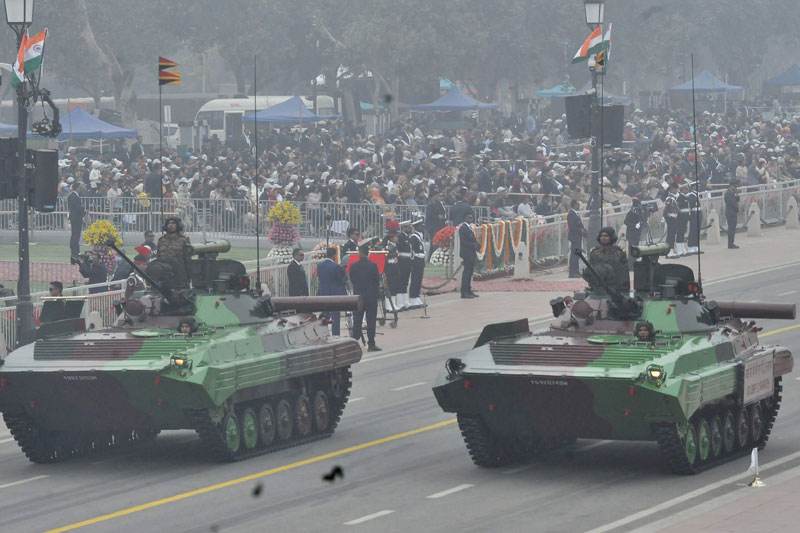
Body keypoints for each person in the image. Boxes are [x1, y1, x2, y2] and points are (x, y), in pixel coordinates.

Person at [349, 244, 381, 352]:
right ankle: (371, 343)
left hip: (358, 296)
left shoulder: (353, 266)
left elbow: (352, 280)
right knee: (371, 320)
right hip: (371, 296)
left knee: (357, 320)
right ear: (368, 253)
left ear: (359, 253)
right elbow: (377, 280)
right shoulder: (373, 265)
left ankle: (353, 343)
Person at [317, 247, 347, 336]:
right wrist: (344, 275)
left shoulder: (320, 265)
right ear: (334, 255)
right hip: (334, 294)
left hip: (323, 292)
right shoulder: (335, 266)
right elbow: (340, 280)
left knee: (325, 316)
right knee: (335, 317)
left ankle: (324, 334)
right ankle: (335, 335)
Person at [156, 217, 192, 288]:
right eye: (169, 223)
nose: (170, 225)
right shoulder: (161, 240)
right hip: (165, 273)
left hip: (179, 273)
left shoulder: (184, 239)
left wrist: (188, 276)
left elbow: (187, 258)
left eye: (173, 223)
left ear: (178, 225)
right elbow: (158, 257)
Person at [459, 210, 479, 299]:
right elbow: (463, 242)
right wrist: (473, 245)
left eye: (472, 217)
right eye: (469, 217)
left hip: (471, 252)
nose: (471, 219)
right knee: (466, 273)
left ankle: (469, 290)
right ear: (465, 218)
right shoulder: (463, 228)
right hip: (466, 252)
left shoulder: (469, 227)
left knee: (470, 272)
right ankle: (464, 291)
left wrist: (477, 245)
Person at [407, 217, 426, 309]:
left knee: (418, 280)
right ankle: (413, 298)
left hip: (421, 260)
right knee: (415, 280)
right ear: (417, 227)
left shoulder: (420, 236)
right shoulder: (414, 237)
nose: (423, 227)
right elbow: (412, 251)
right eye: (421, 226)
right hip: (416, 261)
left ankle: (417, 297)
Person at [382, 221, 401, 310]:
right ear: (392, 238)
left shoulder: (394, 246)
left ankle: (393, 304)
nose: (397, 238)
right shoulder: (389, 247)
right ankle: (389, 305)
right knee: (389, 287)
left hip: (394, 268)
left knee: (394, 287)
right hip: (389, 269)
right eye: (396, 236)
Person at [624, 198, 647, 271]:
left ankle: (634, 261)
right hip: (631, 233)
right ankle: (631, 264)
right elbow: (626, 222)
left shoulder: (639, 212)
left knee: (635, 248)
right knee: (632, 249)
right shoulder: (630, 212)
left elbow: (642, 219)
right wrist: (634, 226)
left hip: (637, 234)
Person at [395, 220, 413, 311]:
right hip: (402, 261)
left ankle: (405, 301)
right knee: (400, 281)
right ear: (403, 228)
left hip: (407, 260)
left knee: (405, 282)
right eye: (408, 227)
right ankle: (399, 302)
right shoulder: (400, 237)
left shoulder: (407, 237)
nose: (410, 229)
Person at [567, 199, 586, 278]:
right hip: (574, 236)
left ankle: (576, 271)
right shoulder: (571, 214)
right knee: (574, 255)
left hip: (578, 236)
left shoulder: (576, 214)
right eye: (578, 204)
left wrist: (584, 230)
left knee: (578, 254)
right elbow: (572, 227)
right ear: (574, 205)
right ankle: (572, 272)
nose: (579, 206)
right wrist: (580, 231)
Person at [67, 182, 85, 259]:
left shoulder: (71, 196)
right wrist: (84, 212)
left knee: (74, 235)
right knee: (76, 236)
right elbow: (77, 208)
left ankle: (75, 251)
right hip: (76, 218)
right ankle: (75, 252)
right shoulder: (74, 196)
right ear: (77, 187)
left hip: (74, 217)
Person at [663, 182, 680, 258]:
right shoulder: (669, 198)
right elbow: (666, 210)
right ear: (672, 189)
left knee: (672, 235)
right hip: (670, 218)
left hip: (674, 218)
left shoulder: (674, 198)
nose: (676, 190)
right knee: (670, 236)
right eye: (675, 189)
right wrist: (667, 218)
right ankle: (669, 252)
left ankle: (672, 250)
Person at [674, 182, 691, 257]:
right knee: (680, 234)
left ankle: (682, 249)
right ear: (682, 190)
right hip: (681, 218)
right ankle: (679, 250)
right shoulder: (680, 197)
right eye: (686, 189)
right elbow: (678, 208)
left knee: (682, 234)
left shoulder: (685, 197)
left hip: (684, 218)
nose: (687, 190)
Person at [724, 180, 740, 249]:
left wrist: (737, 194)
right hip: (730, 213)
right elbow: (731, 203)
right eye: (734, 187)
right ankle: (730, 244)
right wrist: (737, 208)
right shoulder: (727, 193)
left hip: (733, 212)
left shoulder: (732, 193)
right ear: (731, 186)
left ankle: (732, 242)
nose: (735, 188)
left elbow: (737, 200)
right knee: (731, 229)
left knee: (733, 229)